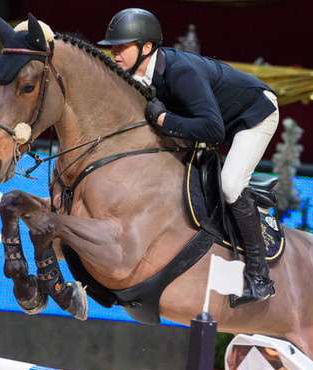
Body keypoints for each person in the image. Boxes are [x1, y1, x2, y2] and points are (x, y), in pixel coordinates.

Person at [98, 8, 279, 306]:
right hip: (218, 116)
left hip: (253, 114)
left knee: (231, 184)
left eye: (121, 46)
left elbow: (213, 129)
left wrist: (164, 122)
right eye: (113, 46)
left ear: (146, 48)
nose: (114, 53)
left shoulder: (181, 72)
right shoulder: (138, 71)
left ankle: (260, 277)